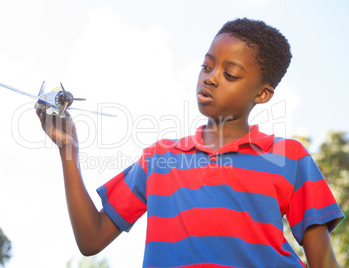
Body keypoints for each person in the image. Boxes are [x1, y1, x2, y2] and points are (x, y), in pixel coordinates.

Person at [36, 18, 345, 267]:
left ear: (262, 94)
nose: (210, 78)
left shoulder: (290, 157)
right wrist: (68, 150)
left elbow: (322, 260)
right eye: (207, 66)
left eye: (231, 74)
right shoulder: (159, 158)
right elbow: (91, 240)